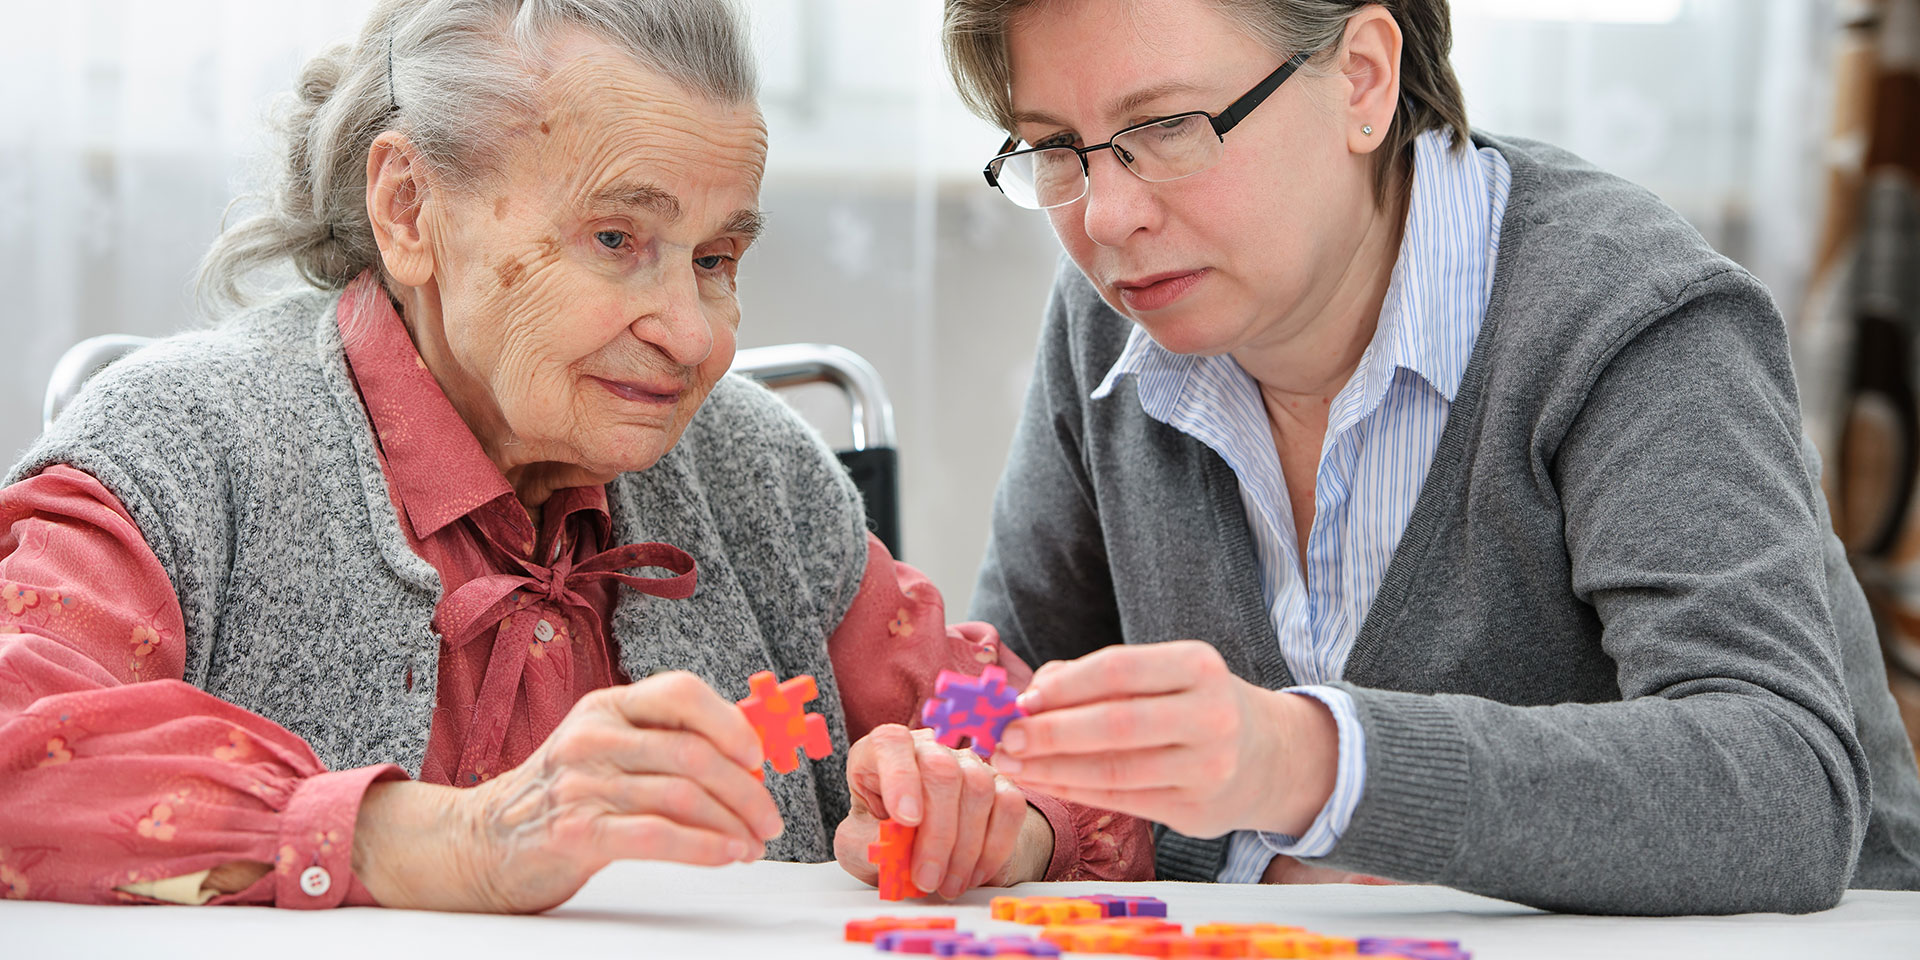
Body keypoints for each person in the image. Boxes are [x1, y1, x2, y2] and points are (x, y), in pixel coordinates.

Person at [0, 0, 1148, 912]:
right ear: (408, 208)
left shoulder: (761, 478)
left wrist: (998, 809)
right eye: (616, 240)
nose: (695, 337)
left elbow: (1019, 728)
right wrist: (452, 841)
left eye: (714, 259)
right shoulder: (181, 451)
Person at [939, 0, 1920, 913]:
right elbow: (1016, 709)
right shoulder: (1111, 325)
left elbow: (1783, 786)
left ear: (1362, 80)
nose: (1107, 219)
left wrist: (1307, 761)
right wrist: (974, 802)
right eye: (1055, 146)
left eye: (1168, 126)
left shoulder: (1625, 312)